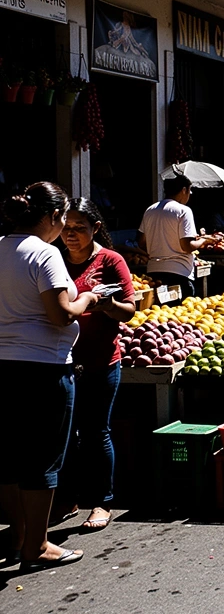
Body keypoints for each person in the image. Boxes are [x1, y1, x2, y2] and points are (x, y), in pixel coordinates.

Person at [0, 182, 100, 571]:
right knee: (42, 459)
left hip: (4, 367)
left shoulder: (1, 247)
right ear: (55, 217)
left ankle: (20, 535)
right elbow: (61, 314)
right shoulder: (45, 253)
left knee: (8, 458)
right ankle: (38, 546)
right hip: (42, 369)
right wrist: (88, 298)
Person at [57, 198, 135, 533]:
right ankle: (68, 498)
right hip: (61, 361)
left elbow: (130, 310)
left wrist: (107, 305)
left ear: (96, 229)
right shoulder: (54, 259)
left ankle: (102, 501)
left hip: (101, 360)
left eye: (79, 228)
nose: (71, 235)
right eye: (67, 228)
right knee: (66, 436)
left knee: (96, 432)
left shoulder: (110, 260)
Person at [137, 175, 214, 304]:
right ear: (184, 190)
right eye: (189, 192)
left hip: (154, 271)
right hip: (179, 273)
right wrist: (204, 241)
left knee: (159, 316)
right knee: (178, 318)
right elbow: (187, 246)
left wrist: (157, 249)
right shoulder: (184, 211)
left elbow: (141, 242)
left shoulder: (150, 210)